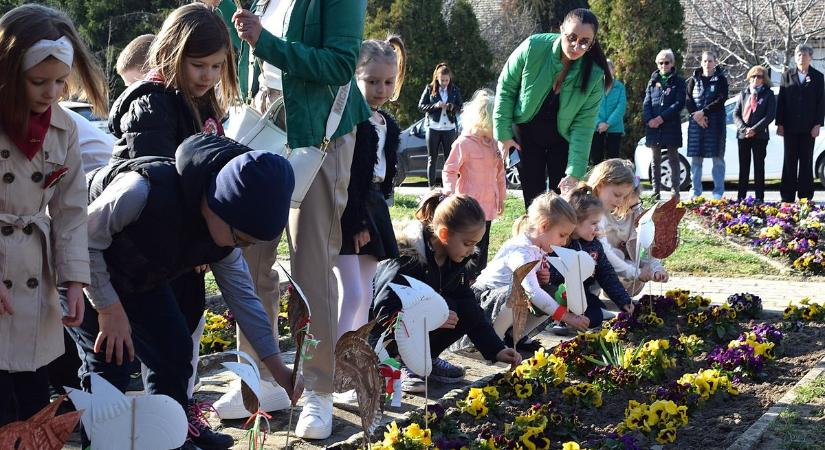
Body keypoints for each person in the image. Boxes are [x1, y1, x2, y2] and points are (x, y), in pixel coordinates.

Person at [72, 134, 301, 450]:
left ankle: (169, 437)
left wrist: (278, 369)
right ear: (218, 204)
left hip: (139, 277)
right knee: (112, 361)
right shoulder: (141, 191)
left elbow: (245, 299)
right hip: (80, 271)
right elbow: (81, 243)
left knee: (174, 352)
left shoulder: (226, 238)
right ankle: (98, 444)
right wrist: (109, 309)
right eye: (241, 238)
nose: (240, 247)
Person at [229, 1, 371, 439]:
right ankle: (258, 380)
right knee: (250, 260)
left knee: (310, 262)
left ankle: (318, 389)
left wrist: (265, 42)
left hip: (319, 130)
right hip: (266, 121)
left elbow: (342, 64)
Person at [0, 3, 107, 426]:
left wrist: (75, 281)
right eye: (38, 81)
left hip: (32, 275)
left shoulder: (64, 129)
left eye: (61, 81)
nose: (52, 92)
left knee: (31, 392)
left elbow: (70, 208)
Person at [371, 192, 521, 392]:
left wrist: (496, 349)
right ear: (443, 234)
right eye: (468, 244)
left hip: (416, 331)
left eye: (476, 244)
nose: (471, 250)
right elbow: (384, 309)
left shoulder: (454, 262)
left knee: (460, 306)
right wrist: (430, 318)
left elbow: (470, 309)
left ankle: (427, 358)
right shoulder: (406, 258)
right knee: (444, 308)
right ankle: (400, 362)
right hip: (381, 338)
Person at [333, 36, 405, 407]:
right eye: (372, 81)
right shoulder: (351, 119)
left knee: (366, 292)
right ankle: (339, 368)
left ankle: (355, 361)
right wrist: (356, 219)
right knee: (354, 293)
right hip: (350, 209)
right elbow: (350, 174)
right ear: (355, 78)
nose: (381, 89)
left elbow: (381, 173)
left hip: (373, 206)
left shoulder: (385, 123)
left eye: (388, 82)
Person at [495, 8, 612, 209]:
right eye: (572, 37)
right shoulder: (533, 47)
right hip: (526, 132)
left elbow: (583, 126)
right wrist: (503, 135)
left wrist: (575, 172)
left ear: (591, 44)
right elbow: (506, 88)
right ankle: (532, 238)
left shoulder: (594, 75)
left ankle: (560, 240)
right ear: (561, 30)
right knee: (533, 199)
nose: (576, 45)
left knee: (563, 201)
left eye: (584, 42)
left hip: (562, 138)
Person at [109, 4, 238, 160]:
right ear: (168, 55)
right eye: (198, 65)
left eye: (216, 66)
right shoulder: (152, 106)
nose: (208, 76)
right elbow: (159, 174)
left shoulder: (201, 102)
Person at [473, 192, 590, 350]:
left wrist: (543, 280)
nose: (563, 242)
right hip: (485, 301)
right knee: (521, 293)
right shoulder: (522, 251)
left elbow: (535, 286)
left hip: (502, 300)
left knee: (553, 294)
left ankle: (515, 335)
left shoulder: (538, 248)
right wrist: (567, 317)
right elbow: (532, 291)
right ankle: (494, 340)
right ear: (544, 225)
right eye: (562, 235)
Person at [442, 88, 506, 278]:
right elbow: (450, 169)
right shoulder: (464, 143)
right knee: (467, 246)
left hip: (488, 207)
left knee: (483, 247)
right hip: (469, 207)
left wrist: (501, 197)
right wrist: (450, 193)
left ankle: (478, 281)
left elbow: (500, 173)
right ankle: (461, 279)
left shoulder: (496, 145)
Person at [561, 185, 634, 328]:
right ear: (575, 221)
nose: (597, 228)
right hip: (560, 294)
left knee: (594, 316)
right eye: (594, 223)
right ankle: (559, 320)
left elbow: (606, 274)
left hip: (583, 295)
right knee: (591, 316)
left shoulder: (595, 245)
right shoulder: (562, 243)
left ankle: (596, 310)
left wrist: (623, 300)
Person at [598, 181, 669, 297]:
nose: (634, 210)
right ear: (617, 202)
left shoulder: (639, 217)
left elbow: (647, 251)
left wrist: (656, 270)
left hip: (633, 280)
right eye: (630, 207)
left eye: (637, 205)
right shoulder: (601, 218)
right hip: (607, 270)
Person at [776, 44, 825, 203]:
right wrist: (780, 124)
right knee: (789, 161)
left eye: (804, 55)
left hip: (809, 128)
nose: (801, 58)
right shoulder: (787, 76)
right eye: (798, 55)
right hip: (789, 127)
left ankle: (805, 196)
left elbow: (821, 102)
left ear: (810, 58)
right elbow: (781, 102)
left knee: (806, 161)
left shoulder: (818, 77)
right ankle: (787, 196)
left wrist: (818, 124)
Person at [686, 51, 728, 200]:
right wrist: (697, 116)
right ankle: (695, 191)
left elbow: (721, 99)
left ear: (715, 62)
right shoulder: (693, 80)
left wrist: (704, 112)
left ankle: (718, 192)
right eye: (704, 61)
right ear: (701, 62)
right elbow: (688, 99)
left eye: (710, 61)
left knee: (717, 160)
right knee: (696, 160)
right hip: (697, 124)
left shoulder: (721, 79)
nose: (707, 64)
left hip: (715, 124)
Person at [643, 49, 686, 199]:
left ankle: (675, 191)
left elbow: (679, 103)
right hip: (653, 127)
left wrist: (661, 118)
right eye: (661, 62)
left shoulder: (679, 81)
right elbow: (647, 103)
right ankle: (656, 191)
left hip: (670, 125)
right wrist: (649, 120)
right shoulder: (652, 81)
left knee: (673, 158)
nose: (663, 65)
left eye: (667, 62)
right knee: (655, 160)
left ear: (672, 63)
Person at [733, 65, 776, 202]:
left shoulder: (768, 94)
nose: (756, 79)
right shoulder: (743, 93)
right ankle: (741, 197)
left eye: (759, 76)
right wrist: (744, 129)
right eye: (753, 76)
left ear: (764, 79)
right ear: (749, 78)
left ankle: (759, 198)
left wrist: (754, 130)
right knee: (743, 168)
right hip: (743, 135)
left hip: (760, 136)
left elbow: (769, 116)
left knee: (759, 167)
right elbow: (736, 114)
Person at [419, 63, 463, 187]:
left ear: (450, 79)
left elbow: (460, 107)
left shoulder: (454, 89)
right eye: (442, 80)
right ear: (437, 78)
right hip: (433, 127)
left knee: (449, 159)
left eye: (447, 80)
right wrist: (435, 106)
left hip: (449, 127)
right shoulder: (429, 88)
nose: (444, 83)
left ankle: (449, 187)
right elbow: (421, 106)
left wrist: (452, 106)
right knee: (432, 159)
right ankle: (431, 187)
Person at [591, 59, 626, 165]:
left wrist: (608, 123)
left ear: (613, 70)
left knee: (613, 160)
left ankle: (612, 181)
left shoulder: (620, 87)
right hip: (597, 127)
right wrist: (599, 123)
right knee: (596, 159)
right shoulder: (594, 86)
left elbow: (621, 107)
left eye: (608, 68)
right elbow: (591, 106)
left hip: (615, 128)